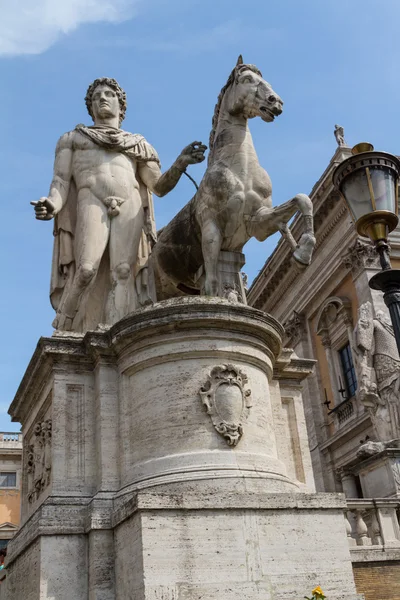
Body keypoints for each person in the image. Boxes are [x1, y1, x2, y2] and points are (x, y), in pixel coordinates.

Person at [31, 77, 206, 331]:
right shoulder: (73, 139)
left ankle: (116, 335)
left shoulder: (137, 144)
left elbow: (158, 187)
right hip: (91, 199)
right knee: (87, 269)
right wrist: (51, 204)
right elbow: (59, 181)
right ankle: (65, 325)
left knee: (123, 271)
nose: (102, 98)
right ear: (90, 107)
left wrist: (180, 164)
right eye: (96, 96)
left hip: (130, 203)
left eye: (108, 94)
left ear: (120, 106)